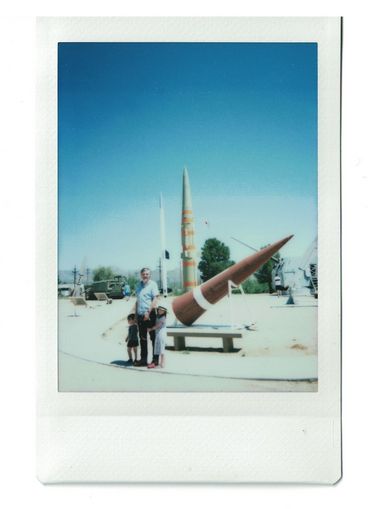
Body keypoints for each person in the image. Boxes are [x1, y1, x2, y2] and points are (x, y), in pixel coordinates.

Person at [134, 268, 159, 367]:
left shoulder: (153, 285)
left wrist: (148, 312)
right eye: (143, 274)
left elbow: (155, 299)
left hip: (150, 314)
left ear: (150, 275)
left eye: (147, 274)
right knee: (142, 338)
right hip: (140, 315)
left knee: (153, 338)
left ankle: (155, 361)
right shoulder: (138, 286)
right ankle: (143, 359)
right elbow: (137, 301)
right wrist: (136, 315)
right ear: (141, 275)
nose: (145, 276)